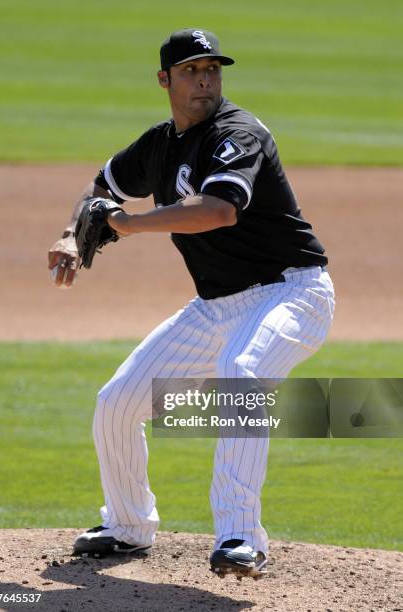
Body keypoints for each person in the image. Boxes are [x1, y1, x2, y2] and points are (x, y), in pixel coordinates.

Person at [48, 28, 335, 580]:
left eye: (212, 70)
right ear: (165, 80)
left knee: (242, 370)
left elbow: (217, 210)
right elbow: (101, 186)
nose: (204, 80)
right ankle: (128, 525)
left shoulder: (238, 133)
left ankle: (241, 537)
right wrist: (68, 233)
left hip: (293, 291)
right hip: (216, 306)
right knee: (117, 402)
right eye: (190, 71)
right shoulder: (158, 146)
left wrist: (127, 225)